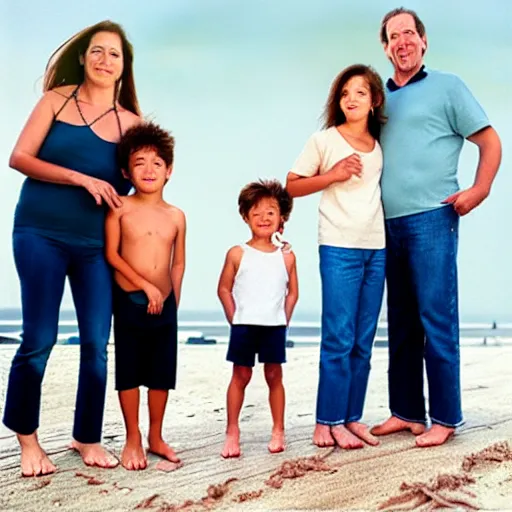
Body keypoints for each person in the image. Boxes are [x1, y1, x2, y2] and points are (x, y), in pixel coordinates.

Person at [3, 20, 141, 476]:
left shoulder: (133, 124)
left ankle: (86, 436)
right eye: (97, 51)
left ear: (125, 67)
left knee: (97, 345)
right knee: (38, 339)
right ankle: (27, 439)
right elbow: (19, 158)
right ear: (82, 57)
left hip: (96, 247)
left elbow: (140, 186)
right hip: (39, 232)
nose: (105, 60)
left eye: (114, 54)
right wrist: (80, 177)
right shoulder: (56, 100)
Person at [370, 8, 502, 447]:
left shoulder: (448, 87)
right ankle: (406, 411)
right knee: (402, 321)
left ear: (423, 42)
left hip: (432, 218)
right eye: (394, 37)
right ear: (385, 47)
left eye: (410, 33)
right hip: (386, 224)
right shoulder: (379, 100)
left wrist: (478, 189)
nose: (402, 42)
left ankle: (445, 417)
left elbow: (489, 140)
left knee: (436, 317)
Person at [286, 65, 387, 449]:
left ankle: (350, 417)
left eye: (360, 93)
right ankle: (325, 422)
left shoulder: (379, 144)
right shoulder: (324, 141)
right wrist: (333, 174)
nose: (351, 99)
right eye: (345, 93)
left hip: (375, 248)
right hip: (338, 247)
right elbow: (291, 186)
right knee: (339, 338)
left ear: (374, 100)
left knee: (363, 340)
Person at [105, 121, 185, 471]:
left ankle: (156, 435)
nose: (149, 169)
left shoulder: (177, 216)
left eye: (157, 162)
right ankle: (132, 437)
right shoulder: (120, 207)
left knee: (160, 374)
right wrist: (145, 286)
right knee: (130, 372)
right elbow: (113, 256)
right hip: (130, 302)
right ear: (126, 171)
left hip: (164, 307)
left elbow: (178, 262)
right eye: (139, 162)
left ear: (169, 170)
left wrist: (172, 301)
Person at [218, 180, 298, 458]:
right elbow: (223, 288)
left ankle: (278, 429)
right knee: (240, 375)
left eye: (271, 212)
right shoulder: (237, 253)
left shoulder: (286, 256)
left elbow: (292, 293)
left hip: (274, 326)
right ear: (245, 216)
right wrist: (234, 318)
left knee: (274, 375)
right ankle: (232, 431)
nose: (264, 218)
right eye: (256, 213)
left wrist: (283, 319)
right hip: (244, 325)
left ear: (281, 218)